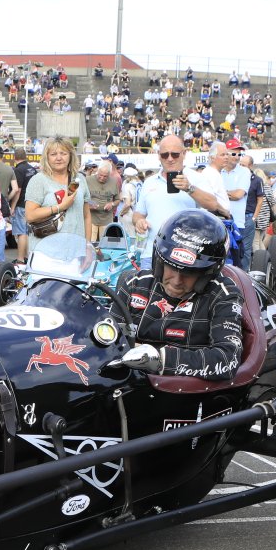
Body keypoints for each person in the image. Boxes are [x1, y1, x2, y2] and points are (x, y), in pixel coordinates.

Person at [115, 210, 244, 379]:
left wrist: (159, 359)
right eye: (171, 267)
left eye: (189, 273)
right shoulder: (135, 283)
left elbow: (228, 360)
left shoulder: (223, 295)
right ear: (159, 262)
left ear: (207, 274)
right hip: (129, 381)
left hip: (185, 390)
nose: (176, 281)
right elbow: (107, 336)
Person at [132, 135, 222, 266]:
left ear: (184, 154)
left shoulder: (196, 178)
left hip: (185, 255)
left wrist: (189, 188)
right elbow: (138, 214)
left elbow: (213, 205)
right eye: (165, 155)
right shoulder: (149, 182)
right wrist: (139, 222)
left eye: (175, 154)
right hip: (151, 253)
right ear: (159, 156)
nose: (170, 159)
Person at [24, 136, 89, 243]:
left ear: (71, 155)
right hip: (45, 249)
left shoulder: (80, 179)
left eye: (63, 153)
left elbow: (86, 216)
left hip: (75, 248)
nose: (59, 158)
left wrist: (87, 244)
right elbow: (30, 216)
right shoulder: (38, 180)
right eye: (53, 154)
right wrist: (61, 207)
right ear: (47, 157)